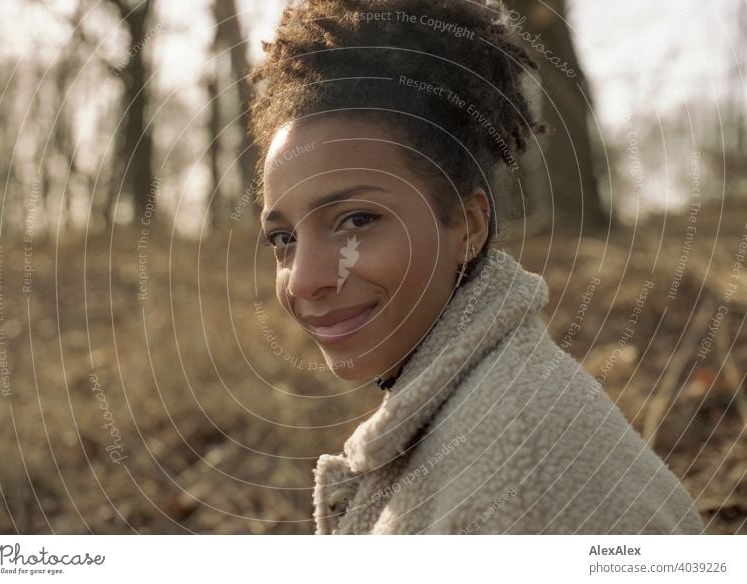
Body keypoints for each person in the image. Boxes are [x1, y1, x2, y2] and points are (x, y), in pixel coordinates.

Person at [246, 0, 704, 534]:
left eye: (356, 220)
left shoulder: (519, 476)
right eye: (283, 238)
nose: (303, 280)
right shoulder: (466, 404)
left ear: (467, 226)